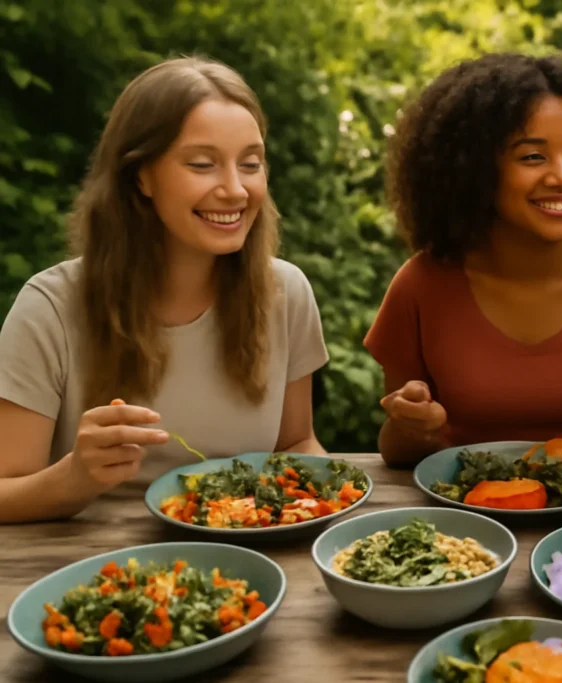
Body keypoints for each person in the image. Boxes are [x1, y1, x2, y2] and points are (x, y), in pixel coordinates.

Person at [0, 57, 329, 524]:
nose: (235, 189)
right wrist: (76, 476)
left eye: (251, 163)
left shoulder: (286, 293)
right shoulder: (49, 309)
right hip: (92, 575)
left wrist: (324, 500)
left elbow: (295, 444)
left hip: (249, 563)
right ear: (140, 175)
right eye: (202, 164)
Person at [365, 52, 562, 467]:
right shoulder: (421, 285)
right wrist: (412, 426)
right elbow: (395, 451)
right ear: (474, 170)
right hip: (463, 527)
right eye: (533, 157)